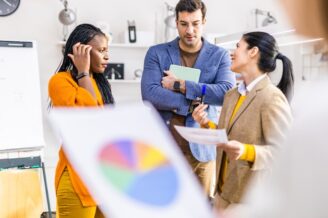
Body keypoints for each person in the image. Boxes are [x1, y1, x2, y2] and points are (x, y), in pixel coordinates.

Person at [141, 0, 235, 198]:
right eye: (184, 24)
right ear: (176, 22)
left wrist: (181, 85)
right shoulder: (156, 53)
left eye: (195, 23)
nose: (190, 30)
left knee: (201, 209)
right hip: (163, 149)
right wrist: (194, 101)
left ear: (204, 22)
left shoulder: (220, 56)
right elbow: (150, 94)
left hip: (202, 151)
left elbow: (225, 93)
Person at [192, 31, 294, 210]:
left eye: (238, 46)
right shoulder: (231, 95)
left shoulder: (271, 98)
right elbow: (227, 135)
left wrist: (247, 151)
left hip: (248, 204)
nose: (232, 52)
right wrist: (205, 123)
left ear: (253, 52)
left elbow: (284, 153)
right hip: (222, 195)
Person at [48, 23, 114, 218]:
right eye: (101, 50)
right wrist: (83, 72)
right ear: (81, 51)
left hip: (102, 178)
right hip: (77, 182)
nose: (107, 56)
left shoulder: (99, 84)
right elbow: (88, 121)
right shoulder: (60, 81)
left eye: (107, 50)